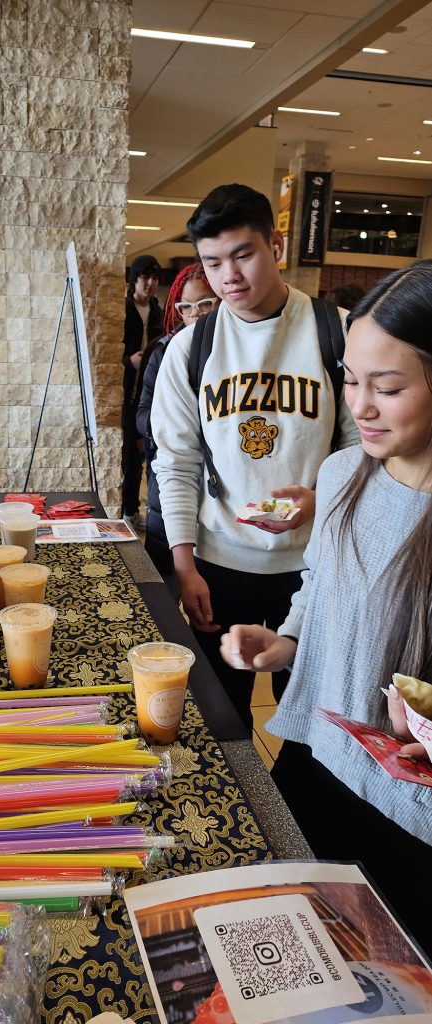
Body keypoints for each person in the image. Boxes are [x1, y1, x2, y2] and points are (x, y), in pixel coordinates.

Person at [220, 261, 432, 953]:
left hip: (404, 812)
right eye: (349, 380)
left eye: (387, 386)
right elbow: (321, 586)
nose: (359, 405)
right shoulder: (341, 475)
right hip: (314, 762)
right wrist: (285, 644)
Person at [151, 184, 358, 733]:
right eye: (212, 262)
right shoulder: (190, 347)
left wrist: (321, 499)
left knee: (314, 721)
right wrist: (184, 562)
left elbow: (365, 448)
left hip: (318, 566)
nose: (229, 277)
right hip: (220, 564)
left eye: (243, 254)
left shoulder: (336, 332)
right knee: (219, 720)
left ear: (276, 243)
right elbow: (177, 461)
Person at [137, 263, 219, 591]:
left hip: (219, 502)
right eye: (186, 307)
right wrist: (170, 421)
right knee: (161, 594)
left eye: (205, 304)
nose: (195, 314)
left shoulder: (237, 357)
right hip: (167, 484)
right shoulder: (163, 350)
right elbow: (142, 414)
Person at [121, 255, 163, 529]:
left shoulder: (158, 309)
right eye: (144, 277)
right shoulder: (123, 307)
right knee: (130, 456)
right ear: (134, 279)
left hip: (152, 390)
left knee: (148, 452)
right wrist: (128, 361)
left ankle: (142, 511)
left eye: (154, 278)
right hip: (126, 392)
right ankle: (127, 510)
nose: (149, 283)